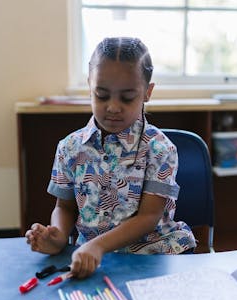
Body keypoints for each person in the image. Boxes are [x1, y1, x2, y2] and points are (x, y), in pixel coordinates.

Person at [25, 37, 196, 278]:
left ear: (147, 92)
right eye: (102, 95)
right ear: (90, 86)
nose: (113, 107)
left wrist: (97, 246)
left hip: (153, 255)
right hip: (91, 260)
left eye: (127, 97)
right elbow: (64, 207)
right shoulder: (70, 147)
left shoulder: (159, 149)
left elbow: (149, 217)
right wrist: (59, 236)